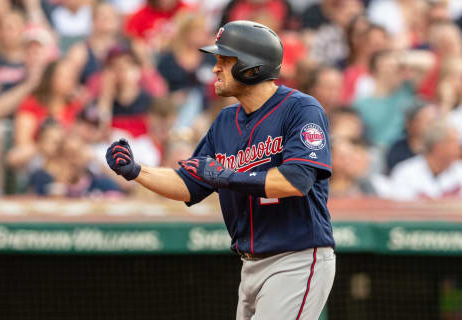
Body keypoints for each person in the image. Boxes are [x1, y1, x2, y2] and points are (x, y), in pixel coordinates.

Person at [105, 20, 335, 319]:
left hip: (297, 258)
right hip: (250, 263)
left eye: (225, 61)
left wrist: (227, 176)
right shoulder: (226, 121)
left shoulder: (301, 109)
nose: (215, 69)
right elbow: (189, 183)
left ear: (252, 67)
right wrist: (136, 171)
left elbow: (296, 180)